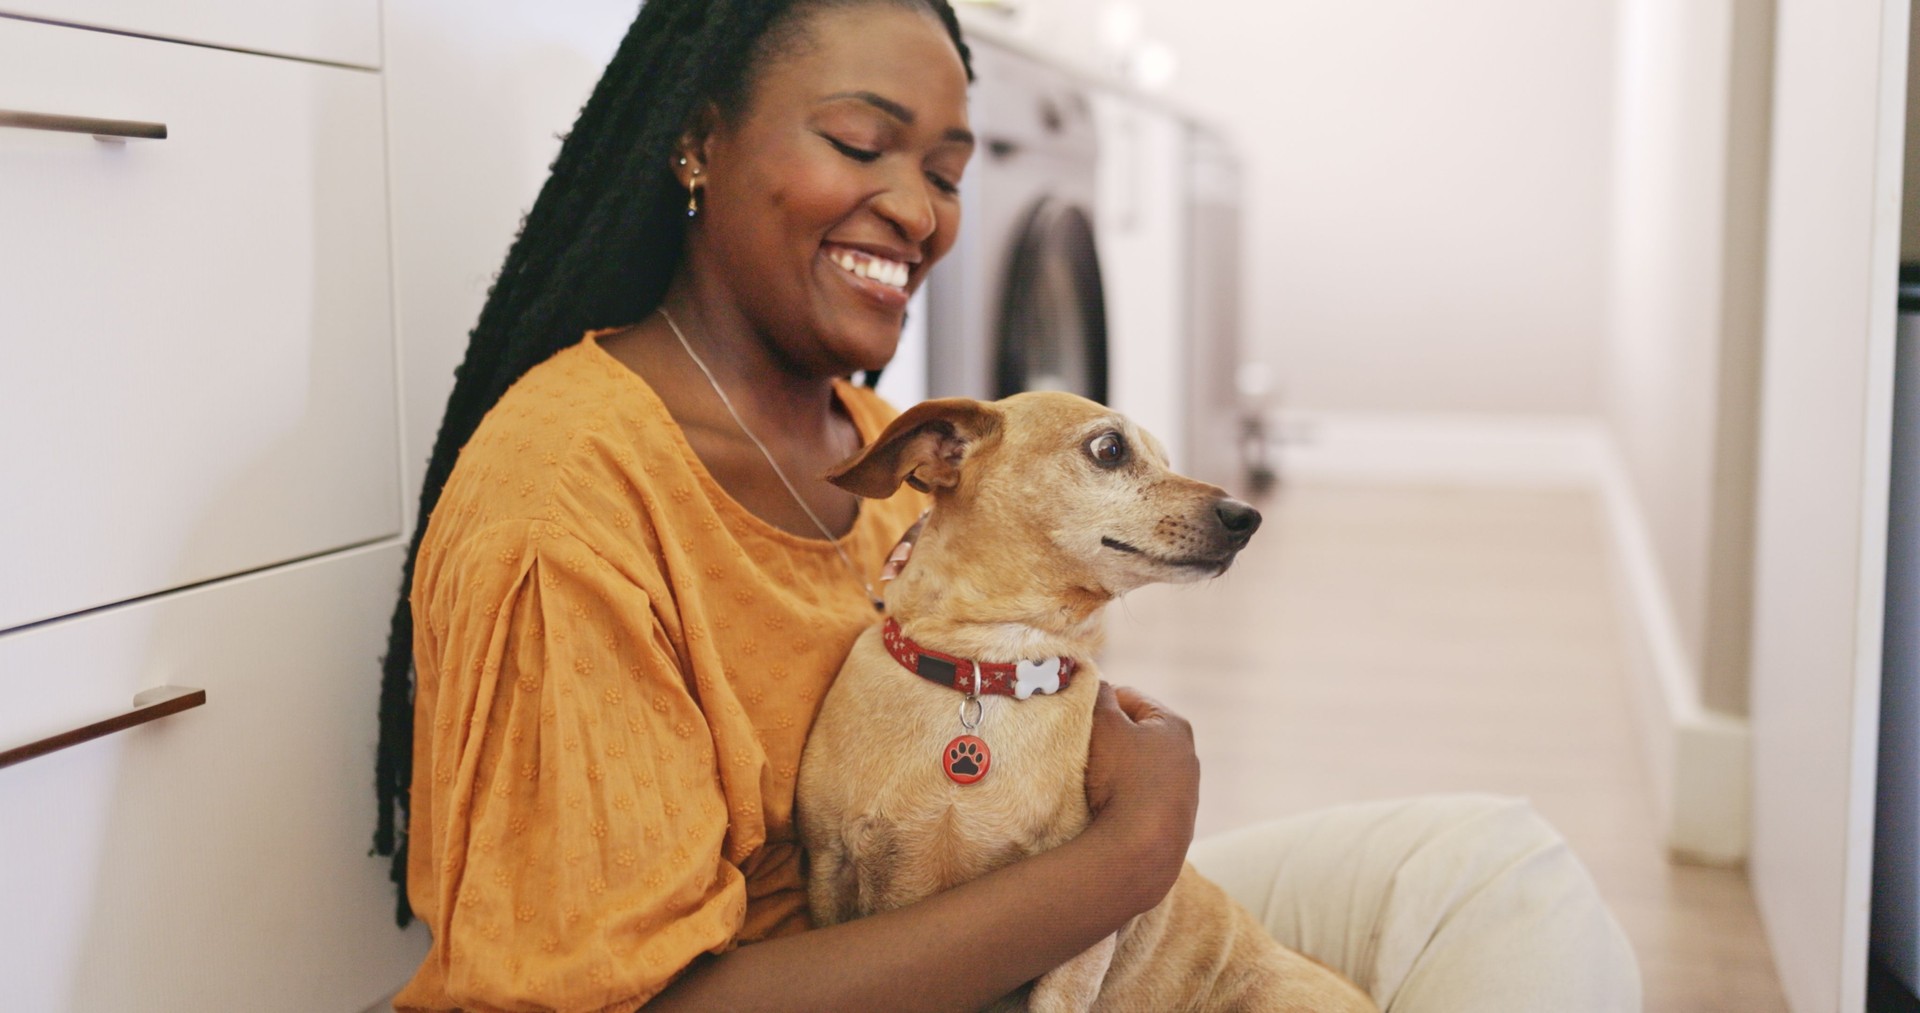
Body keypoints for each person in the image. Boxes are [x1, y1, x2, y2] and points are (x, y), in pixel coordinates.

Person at [373, 1, 1643, 1010]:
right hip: (852, 972)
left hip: (1003, 926)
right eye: (861, 145)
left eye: (946, 169)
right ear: (698, 140)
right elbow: (627, 1005)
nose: (920, 211)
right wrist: (1125, 860)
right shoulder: (569, 498)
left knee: (1499, 870)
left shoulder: (891, 449)